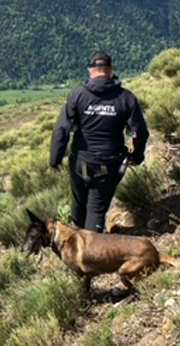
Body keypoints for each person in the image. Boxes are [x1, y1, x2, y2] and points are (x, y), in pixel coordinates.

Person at [49, 50, 149, 233]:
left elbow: (61, 129)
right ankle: (90, 248)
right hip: (109, 163)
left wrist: (55, 159)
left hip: (81, 160)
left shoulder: (78, 95)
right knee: (97, 207)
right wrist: (137, 156)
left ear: (90, 70)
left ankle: (78, 242)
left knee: (79, 201)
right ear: (110, 70)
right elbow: (140, 132)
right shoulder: (126, 98)